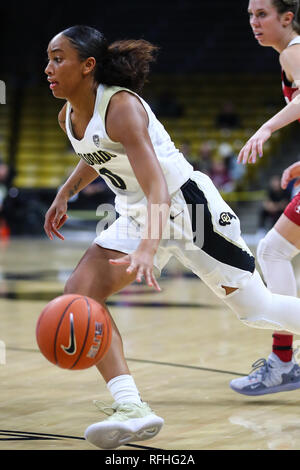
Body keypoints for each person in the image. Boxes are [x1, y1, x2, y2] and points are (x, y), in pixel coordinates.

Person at [44, 25, 300, 450]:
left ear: (88, 66)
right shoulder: (67, 115)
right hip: (136, 209)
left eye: (57, 58)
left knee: (256, 309)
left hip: (187, 207)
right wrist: (65, 191)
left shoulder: (122, 106)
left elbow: (159, 186)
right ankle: (132, 408)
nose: (48, 68)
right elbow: (97, 153)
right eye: (48, 58)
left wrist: (148, 248)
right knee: (79, 294)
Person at [230, 0, 300, 397]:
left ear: (286, 18)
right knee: (274, 251)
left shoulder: (293, 52)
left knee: (272, 252)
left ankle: (283, 363)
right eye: (251, 16)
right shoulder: (288, 56)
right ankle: (283, 362)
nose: (255, 23)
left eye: (263, 15)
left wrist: (267, 128)